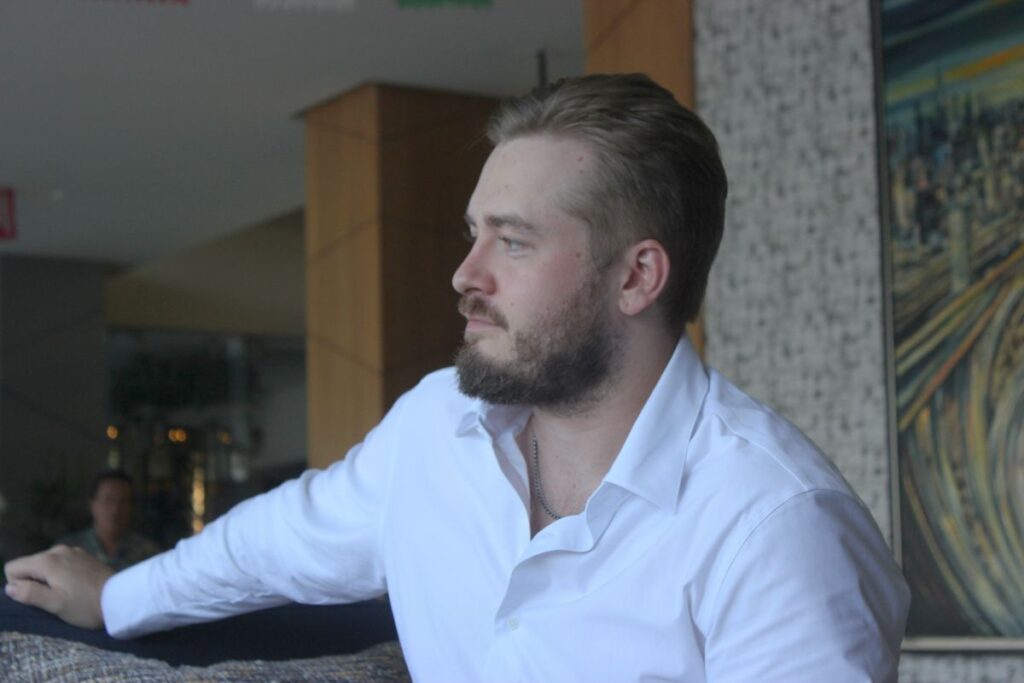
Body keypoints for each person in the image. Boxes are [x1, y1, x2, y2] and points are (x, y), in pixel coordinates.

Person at [5, 74, 909, 681]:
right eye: (473, 232)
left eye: (511, 241)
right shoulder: (438, 426)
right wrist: (116, 595)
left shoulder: (775, 525)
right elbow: (278, 542)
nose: (464, 274)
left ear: (638, 276)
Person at [56, 469, 159, 572]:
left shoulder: (149, 554)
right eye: (108, 500)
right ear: (92, 504)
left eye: (123, 501)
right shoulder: (68, 551)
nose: (115, 509)